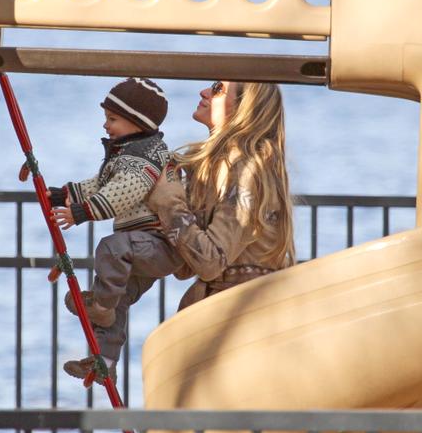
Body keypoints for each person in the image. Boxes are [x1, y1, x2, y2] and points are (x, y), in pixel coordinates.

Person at [48, 77, 184, 384]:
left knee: (110, 248)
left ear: (136, 122)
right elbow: (99, 185)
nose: (106, 126)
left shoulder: (144, 157)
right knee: (117, 295)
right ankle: (104, 361)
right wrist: (63, 194)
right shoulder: (127, 152)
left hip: (159, 243)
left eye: (112, 119)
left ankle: (101, 307)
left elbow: (124, 191)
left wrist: (81, 212)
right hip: (142, 247)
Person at [147, 81, 295, 311]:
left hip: (240, 318)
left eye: (218, 89)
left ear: (243, 108)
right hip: (232, 312)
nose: (204, 92)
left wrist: (166, 201)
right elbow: (186, 266)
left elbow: (209, 262)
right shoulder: (216, 167)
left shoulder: (245, 170)